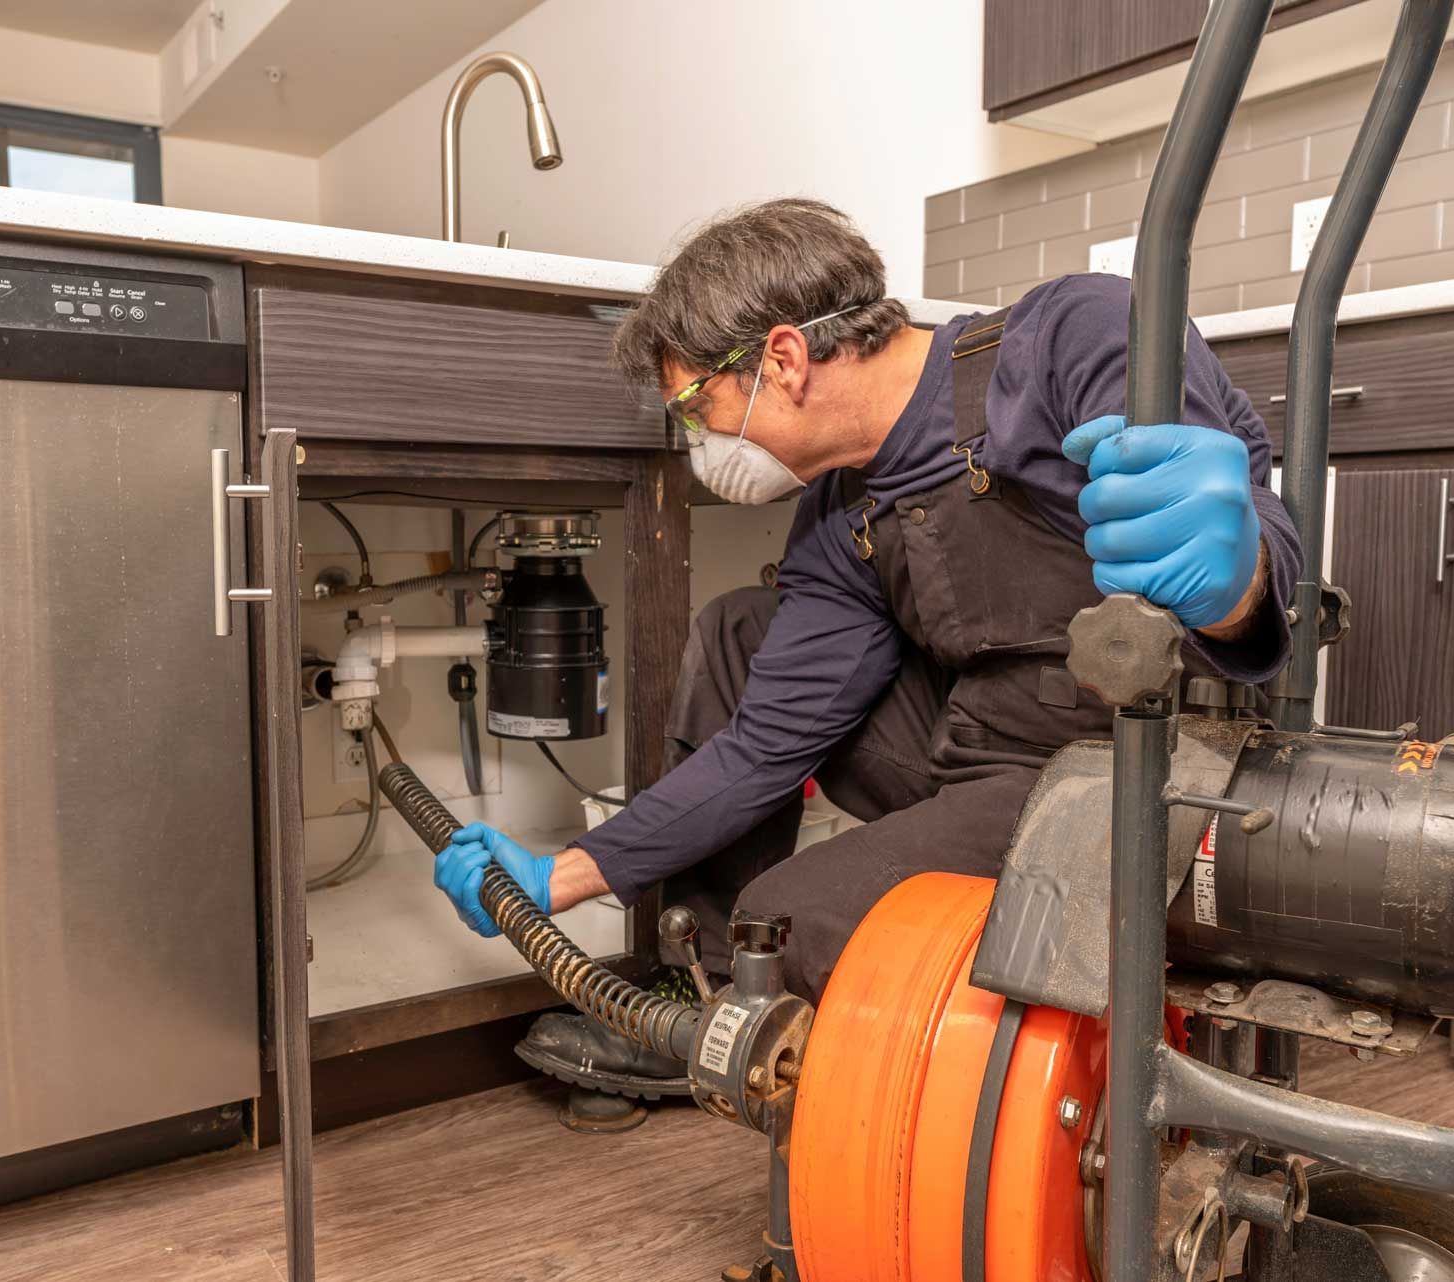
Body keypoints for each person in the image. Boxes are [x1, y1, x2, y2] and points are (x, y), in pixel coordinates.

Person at [435, 198, 1301, 1096]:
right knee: (740, 627)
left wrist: (1236, 582)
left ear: (783, 358)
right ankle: (702, 985)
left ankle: (752, 999)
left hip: (1139, 759)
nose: (704, 439)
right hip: (987, 746)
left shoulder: (1070, 337)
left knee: (783, 920)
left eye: (698, 403)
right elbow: (767, 742)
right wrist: (567, 873)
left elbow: (1248, 551)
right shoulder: (837, 512)